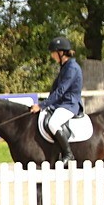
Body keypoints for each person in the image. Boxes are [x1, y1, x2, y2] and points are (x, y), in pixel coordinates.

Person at [29, 35, 83, 164]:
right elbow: (55, 89)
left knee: (53, 123)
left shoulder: (72, 68)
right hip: (61, 104)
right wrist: (45, 103)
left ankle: (68, 154)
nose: (52, 55)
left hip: (70, 104)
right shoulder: (65, 66)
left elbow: (60, 91)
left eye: (53, 52)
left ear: (61, 52)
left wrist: (41, 105)